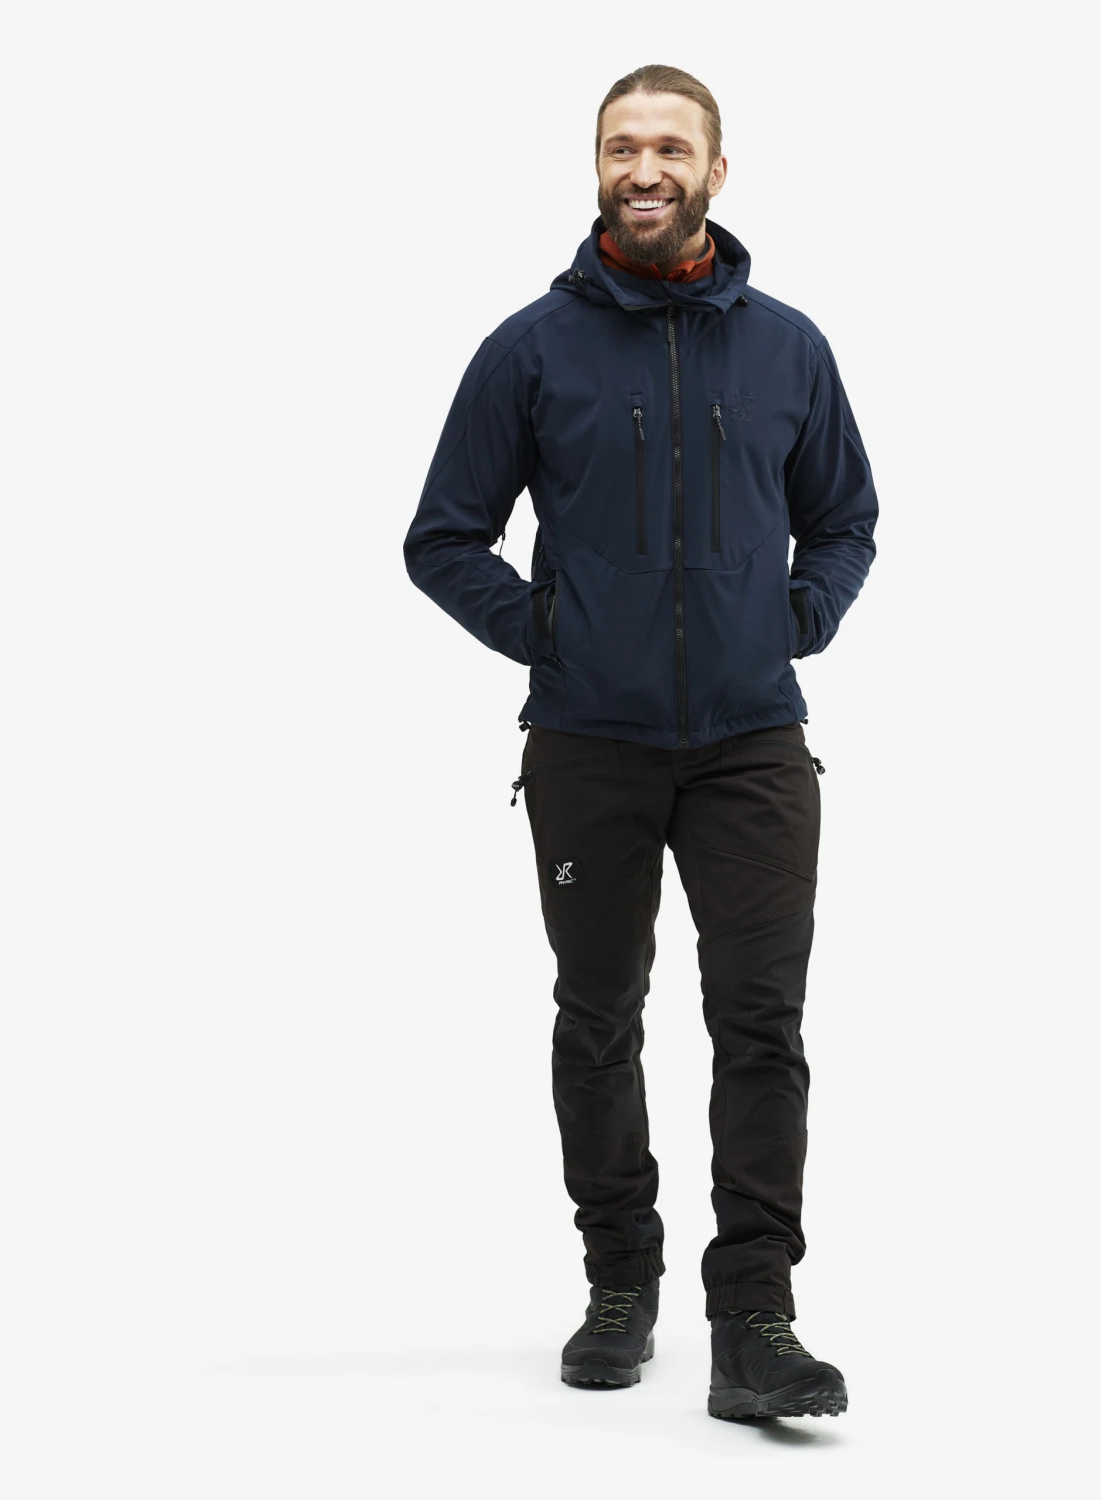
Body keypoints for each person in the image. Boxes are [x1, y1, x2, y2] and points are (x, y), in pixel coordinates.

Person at [404, 64, 877, 1420]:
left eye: (672, 147)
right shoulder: (530, 349)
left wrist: (798, 620)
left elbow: (846, 518)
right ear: (599, 169)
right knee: (599, 1014)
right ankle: (620, 1280)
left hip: (752, 746)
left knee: (761, 1025)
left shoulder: (789, 348)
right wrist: (551, 637)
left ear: (717, 172)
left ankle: (755, 1320)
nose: (646, 168)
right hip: (588, 747)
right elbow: (442, 537)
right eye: (623, 147)